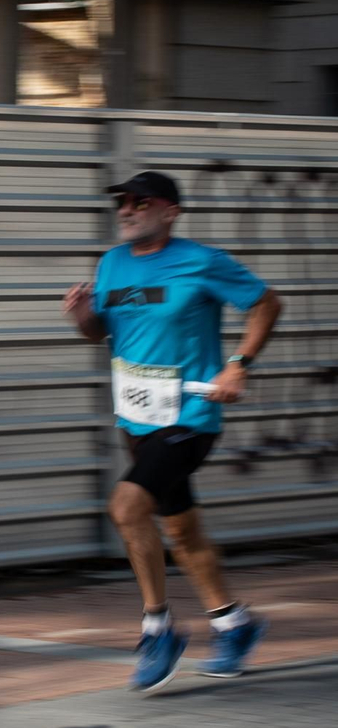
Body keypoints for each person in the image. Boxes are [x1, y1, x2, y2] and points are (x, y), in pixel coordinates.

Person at [63, 171, 282, 693]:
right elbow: (104, 334)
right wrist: (83, 318)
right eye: (122, 203)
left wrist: (238, 364)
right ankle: (234, 623)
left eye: (140, 202)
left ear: (170, 211)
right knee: (181, 530)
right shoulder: (113, 263)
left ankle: (158, 629)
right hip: (136, 419)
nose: (127, 210)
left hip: (189, 419)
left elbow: (267, 302)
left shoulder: (202, 260)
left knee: (126, 507)